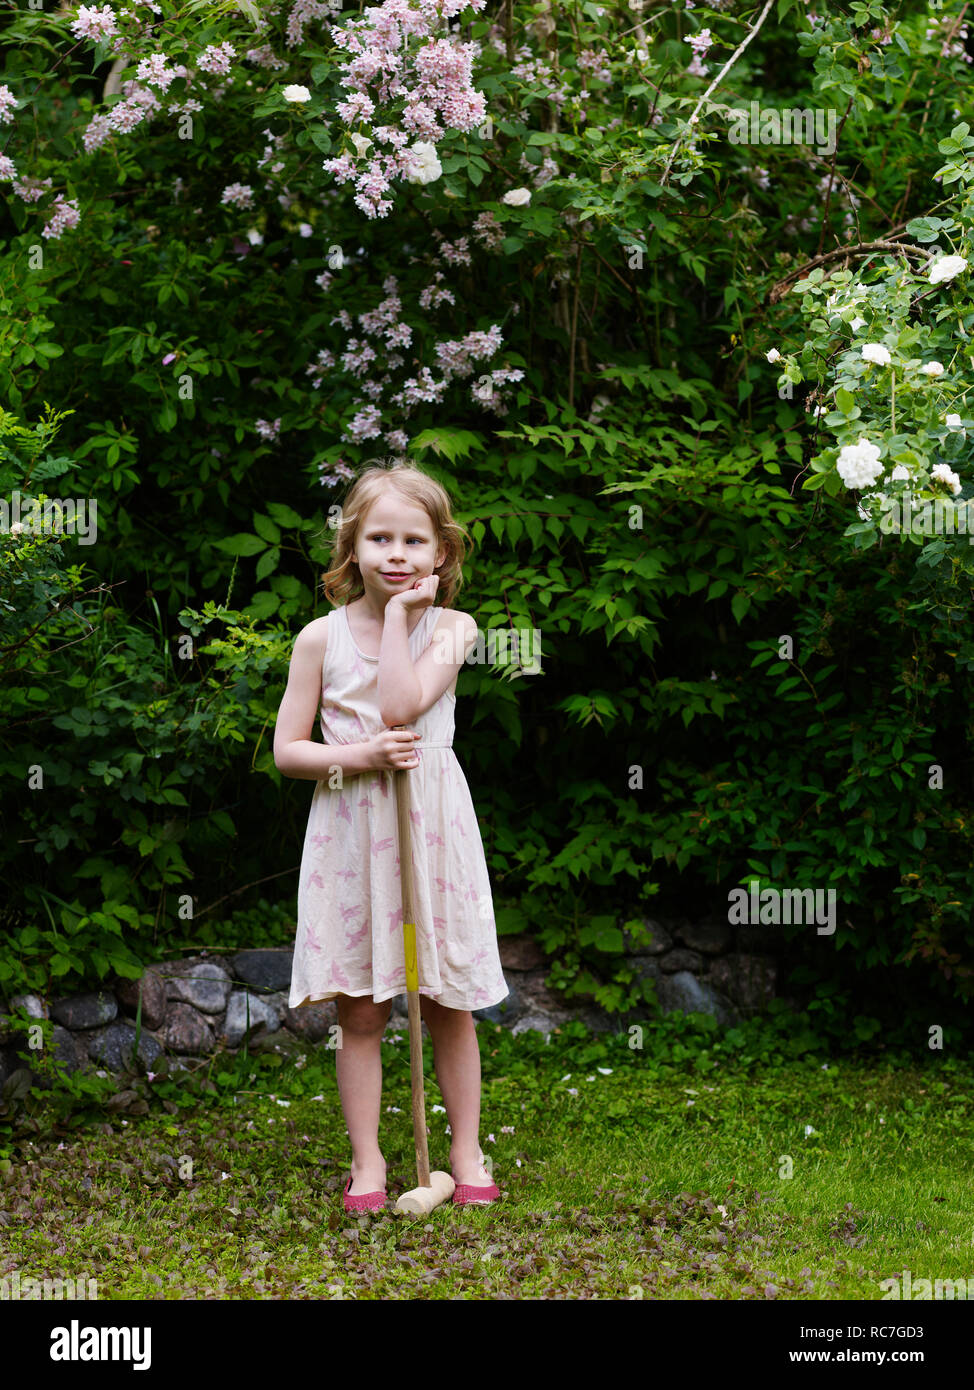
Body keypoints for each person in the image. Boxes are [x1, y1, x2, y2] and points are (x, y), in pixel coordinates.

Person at [273, 459, 509, 1211]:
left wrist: (406, 618)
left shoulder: (454, 627)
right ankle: (369, 1162)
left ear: (442, 553)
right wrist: (357, 757)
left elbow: (403, 706)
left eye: (414, 540)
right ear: (353, 546)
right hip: (353, 825)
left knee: (448, 999)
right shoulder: (319, 638)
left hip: (430, 828)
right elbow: (289, 751)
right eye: (380, 538)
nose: (397, 554)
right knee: (362, 1007)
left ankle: (465, 1151)